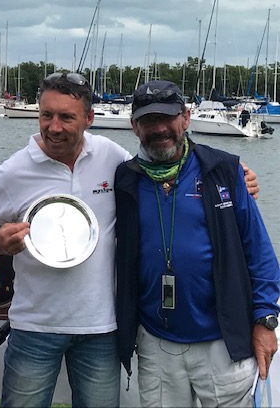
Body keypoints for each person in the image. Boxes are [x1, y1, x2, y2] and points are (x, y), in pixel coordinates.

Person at [115, 80, 280, 407]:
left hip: (222, 342)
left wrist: (265, 320)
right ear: (134, 126)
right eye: (148, 120)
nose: (159, 128)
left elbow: (259, 252)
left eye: (167, 118)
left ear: (186, 118)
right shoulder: (125, 178)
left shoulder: (224, 171)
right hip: (156, 342)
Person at [0, 72, 131, 407]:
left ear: (89, 118)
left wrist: (236, 177)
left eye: (66, 117)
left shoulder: (112, 156)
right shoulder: (13, 171)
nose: (54, 127)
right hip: (34, 325)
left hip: (99, 326)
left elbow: (159, 178)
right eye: (46, 115)